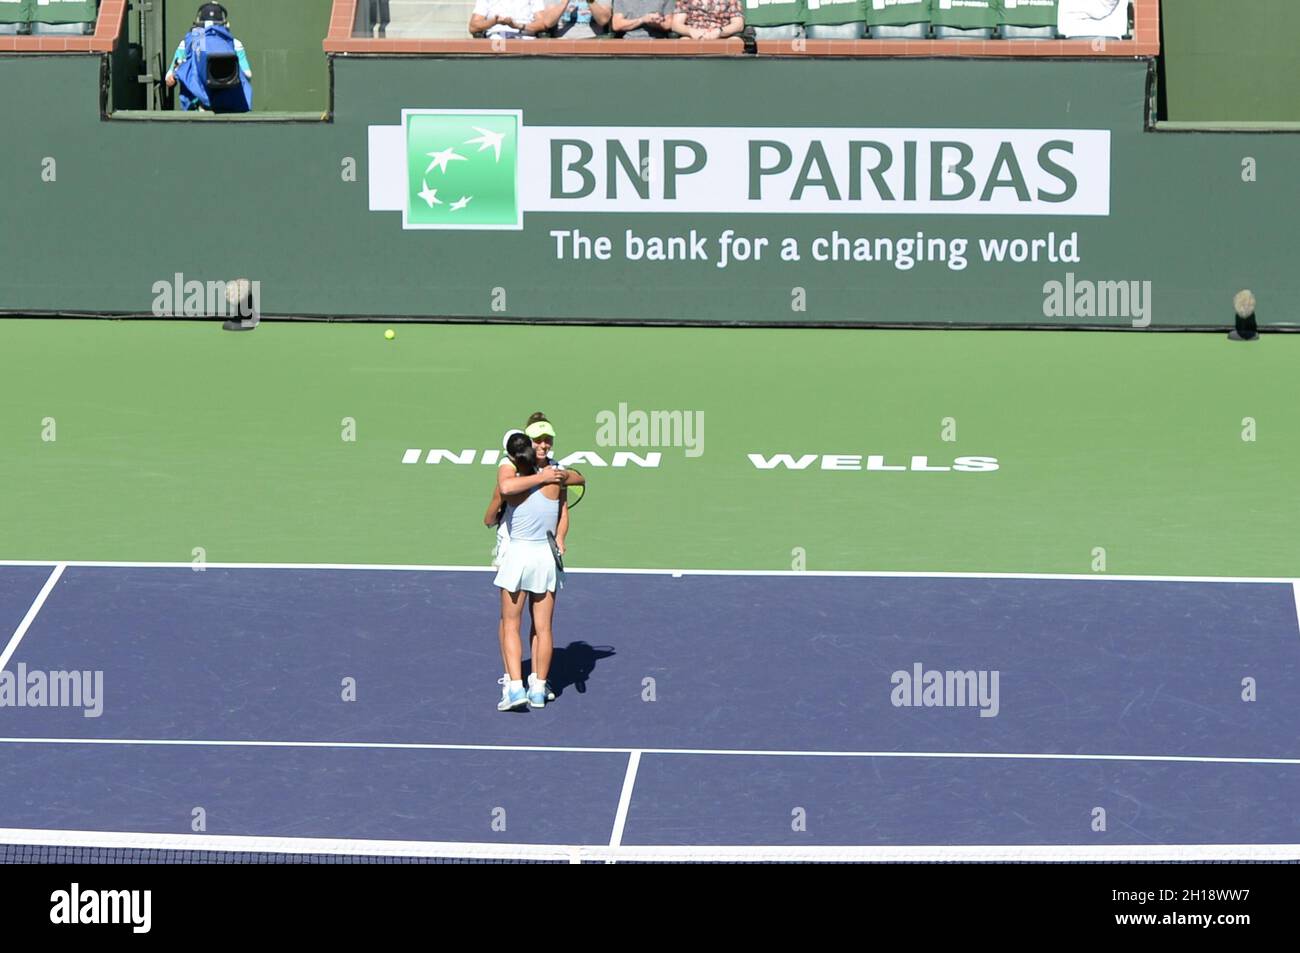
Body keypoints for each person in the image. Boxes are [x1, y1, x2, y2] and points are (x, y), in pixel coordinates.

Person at [164, 3, 253, 113]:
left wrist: (179, 71)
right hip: (228, 108)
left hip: (201, 110)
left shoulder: (195, 40)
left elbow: (169, 79)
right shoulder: (233, 43)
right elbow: (248, 74)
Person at [469, 0, 550, 38]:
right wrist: (494, 22)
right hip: (496, 40)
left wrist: (517, 26)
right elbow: (473, 27)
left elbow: (543, 24)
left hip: (524, 39)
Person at [671, 0, 744, 38]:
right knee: (684, 43)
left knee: (734, 42)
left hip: (722, 35)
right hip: (693, 36)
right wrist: (691, 31)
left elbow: (738, 24)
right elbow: (676, 24)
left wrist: (719, 31)